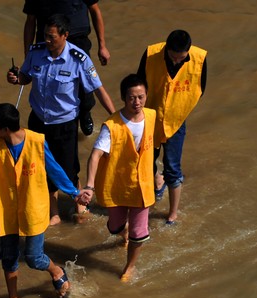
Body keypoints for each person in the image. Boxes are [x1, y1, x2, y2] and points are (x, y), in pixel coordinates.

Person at [8, 12, 115, 225]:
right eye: (45, 35)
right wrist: (15, 78)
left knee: (69, 167)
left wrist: (116, 119)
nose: (47, 40)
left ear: (65, 35)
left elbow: (98, 89)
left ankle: (80, 206)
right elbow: (26, 77)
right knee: (42, 166)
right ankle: (54, 212)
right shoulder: (36, 52)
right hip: (38, 120)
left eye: (52, 37)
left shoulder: (79, 59)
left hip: (64, 123)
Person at [0, 102, 80, 298]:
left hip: (33, 206)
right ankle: (13, 297)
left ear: (6, 129)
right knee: (9, 256)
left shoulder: (37, 142)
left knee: (34, 258)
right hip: (6, 209)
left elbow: (54, 169)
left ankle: (56, 270)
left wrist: (74, 193)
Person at [79, 74, 156, 282]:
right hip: (118, 185)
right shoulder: (111, 126)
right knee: (114, 226)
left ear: (147, 96)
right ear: (123, 97)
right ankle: (124, 235)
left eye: (141, 97)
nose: (137, 102)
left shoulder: (152, 116)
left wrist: (159, 173)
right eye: (132, 98)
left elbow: (155, 145)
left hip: (142, 186)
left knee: (139, 233)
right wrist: (89, 186)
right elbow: (95, 155)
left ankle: (128, 267)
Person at [136, 29, 207, 225]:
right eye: (172, 57)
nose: (176, 61)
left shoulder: (199, 58)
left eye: (181, 58)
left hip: (176, 121)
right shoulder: (151, 54)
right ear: (166, 49)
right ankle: (156, 184)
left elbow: (200, 88)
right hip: (150, 117)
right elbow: (139, 84)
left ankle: (172, 214)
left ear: (188, 52)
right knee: (146, 164)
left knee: (173, 168)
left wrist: (179, 108)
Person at [22, 0, 111, 136]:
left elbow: (95, 10)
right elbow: (30, 20)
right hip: (47, 41)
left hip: (77, 39)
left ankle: (85, 112)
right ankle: (42, 116)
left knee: (85, 85)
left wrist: (102, 45)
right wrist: (27, 53)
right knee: (45, 82)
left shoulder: (79, 56)